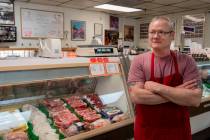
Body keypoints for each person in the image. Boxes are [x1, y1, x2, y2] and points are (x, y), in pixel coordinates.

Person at [128, 16, 202, 140]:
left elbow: (195, 99)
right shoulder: (139, 61)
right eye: (152, 32)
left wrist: (158, 87)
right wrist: (178, 91)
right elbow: (137, 96)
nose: (155, 36)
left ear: (172, 35)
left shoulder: (186, 61)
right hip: (147, 131)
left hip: (178, 130)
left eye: (161, 32)